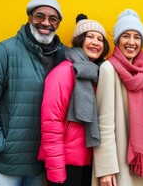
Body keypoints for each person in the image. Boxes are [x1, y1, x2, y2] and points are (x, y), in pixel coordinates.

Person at [0, 0, 66, 186]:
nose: (46, 23)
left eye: (52, 19)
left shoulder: (62, 56)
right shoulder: (4, 51)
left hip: (40, 163)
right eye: (40, 16)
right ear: (30, 17)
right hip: (7, 162)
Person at [38, 14, 110, 186]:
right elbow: (51, 123)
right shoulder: (64, 72)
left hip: (89, 163)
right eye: (90, 37)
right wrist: (56, 172)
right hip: (65, 165)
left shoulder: (98, 74)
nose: (95, 42)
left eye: (100, 39)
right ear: (79, 40)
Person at [92, 9, 143, 186]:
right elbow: (103, 122)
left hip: (141, 164)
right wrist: (106, 169)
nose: (131, 42)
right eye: (125, 36)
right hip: (117, 163)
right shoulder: (108, 69)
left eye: (137, 37)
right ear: (117, 40)